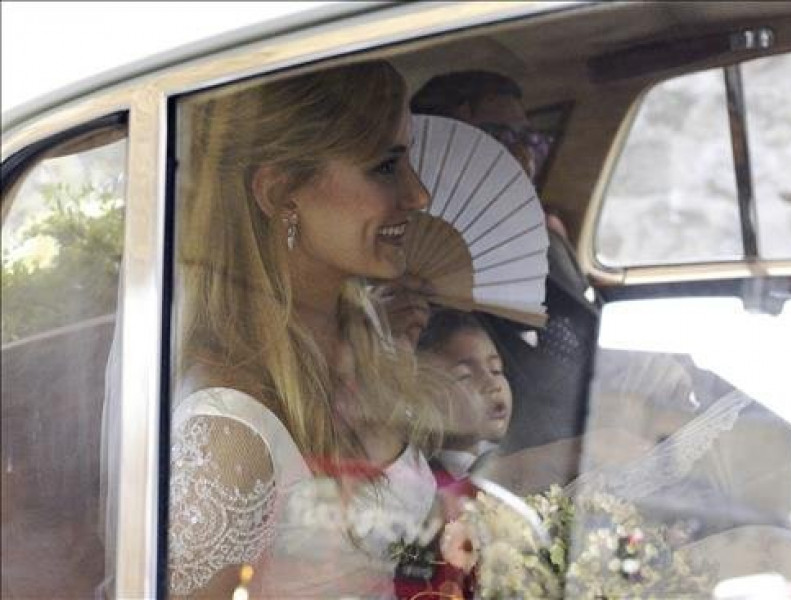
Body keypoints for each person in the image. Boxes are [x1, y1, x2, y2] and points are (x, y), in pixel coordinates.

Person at [168, 60, 447, 598]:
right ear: (279, 192)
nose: (418, 195)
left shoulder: (361, 341)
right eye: (386, 167)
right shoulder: (229, 428)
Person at [410, 70, 599, 462]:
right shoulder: (415, 272)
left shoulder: (543, 240)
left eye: (528, 140)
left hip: (601, 415)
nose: (522, 157)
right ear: (446, 153)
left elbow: (587, 331)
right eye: (499, 139)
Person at [417, 309, 514, 480]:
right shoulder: (423, 481)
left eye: (496, 370)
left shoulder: (515, 452)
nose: (493, 385)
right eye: (464, 376)